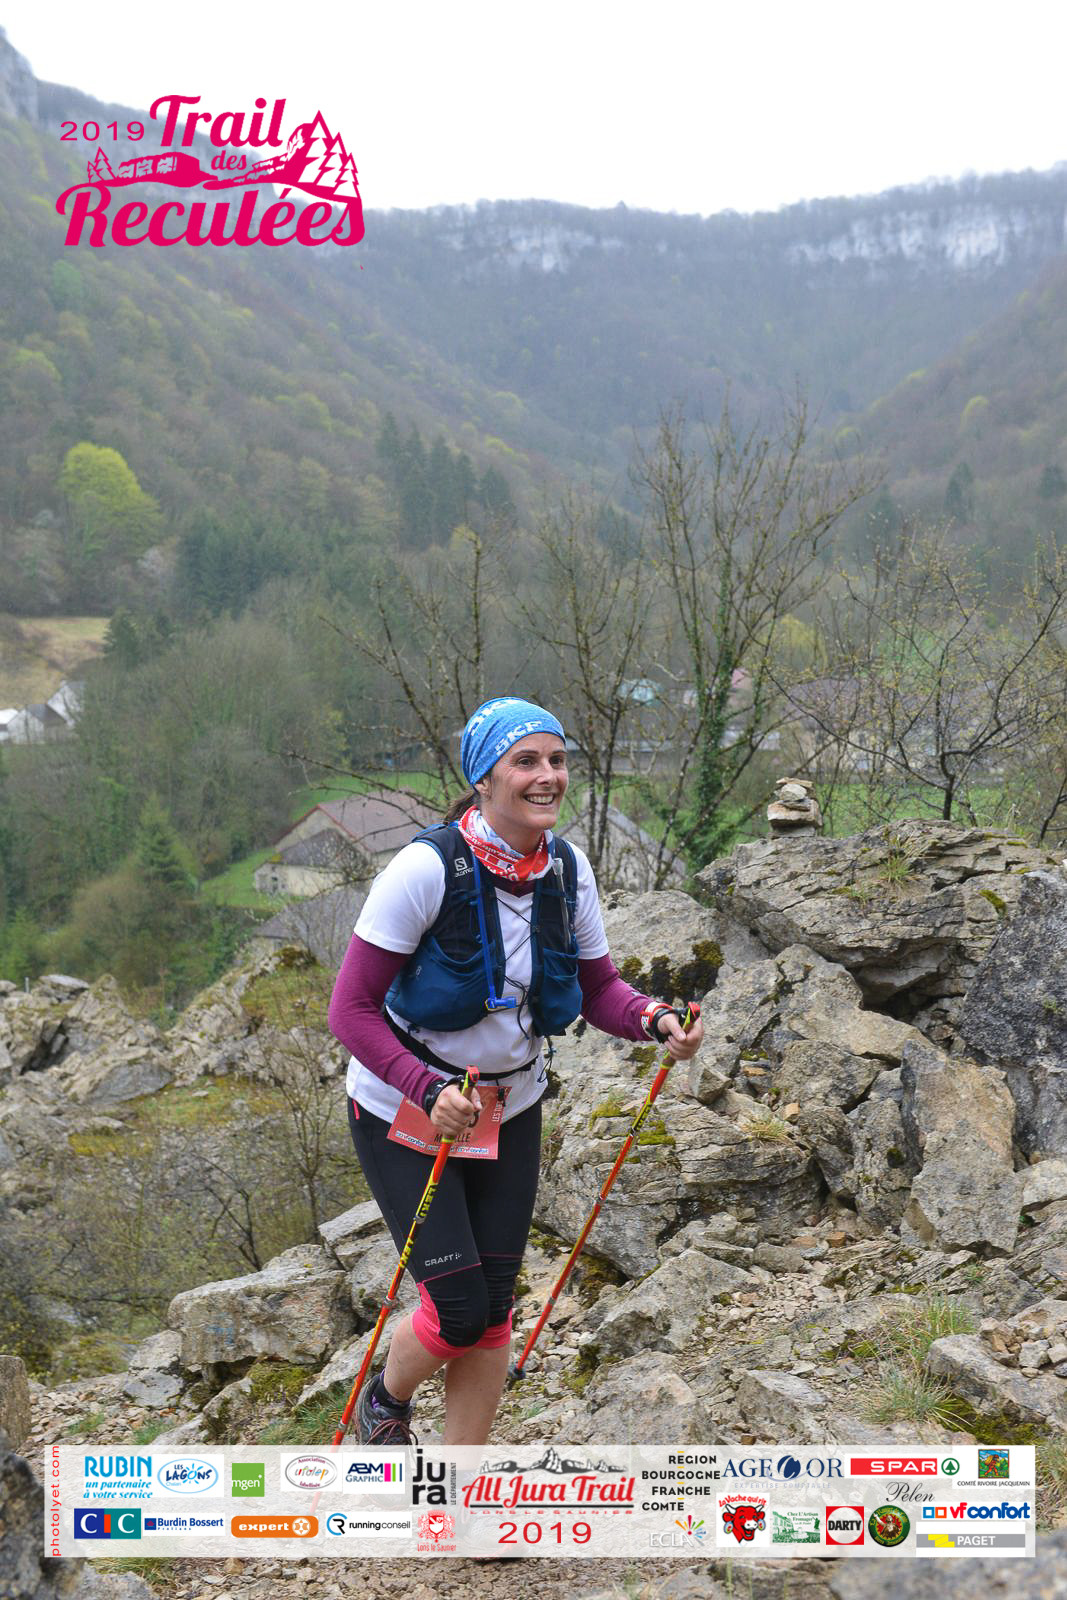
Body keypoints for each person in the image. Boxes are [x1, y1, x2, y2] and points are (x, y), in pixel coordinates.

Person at [328, 696, 703, 1446]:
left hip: (511, 1105)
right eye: (525, 761)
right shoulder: (424, 869)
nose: (547, 776)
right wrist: (428, 1088)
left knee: (494, 1308)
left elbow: (598, 987)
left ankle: (459, 1488)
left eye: (557, 760)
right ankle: (385, 1401)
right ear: (483, 777)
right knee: (459, 1308)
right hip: (405, 1106)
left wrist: (652, 1018)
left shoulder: (567, 868)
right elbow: (351, 1010)